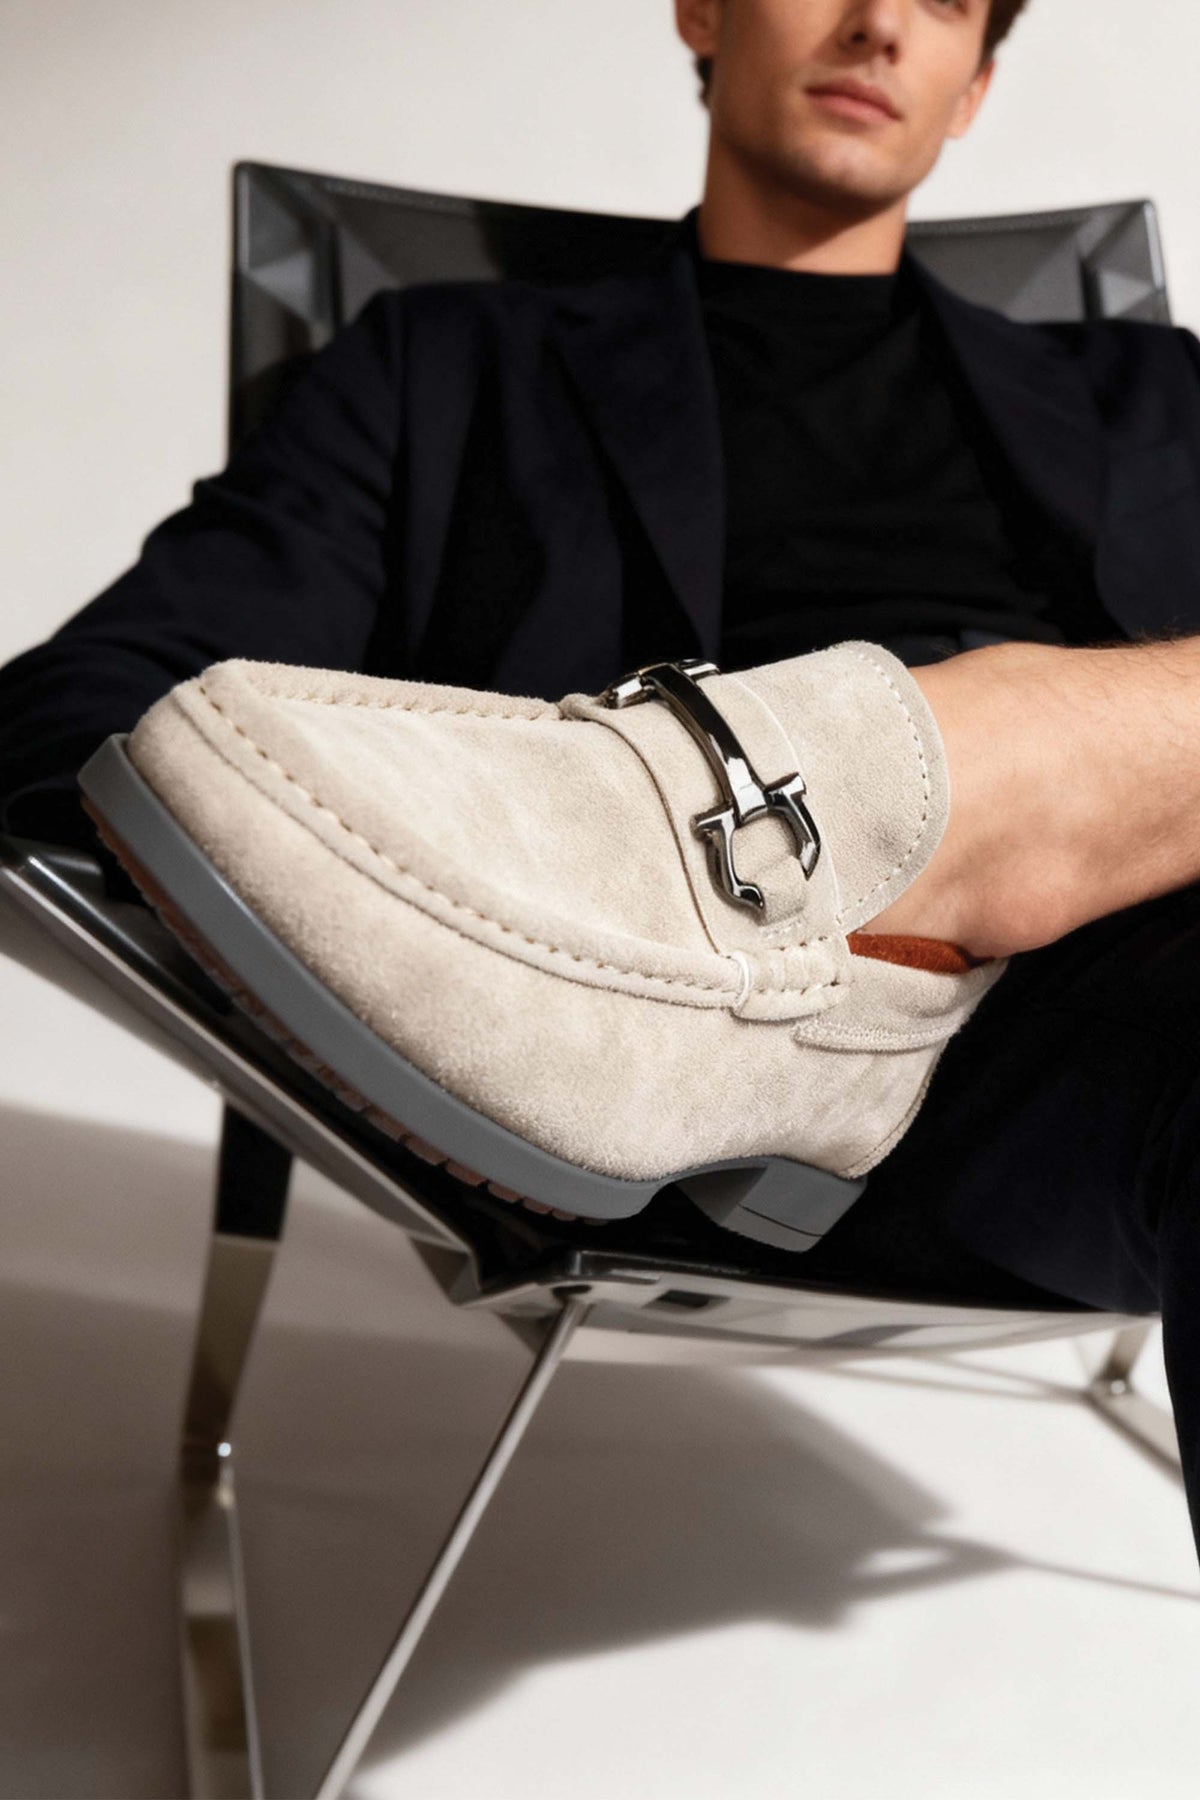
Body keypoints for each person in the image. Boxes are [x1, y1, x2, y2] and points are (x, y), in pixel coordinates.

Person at [5, 0, 1200, 1554]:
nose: (878, 25)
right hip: (749, 1040)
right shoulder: (449, 364)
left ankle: (971, 799)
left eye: (946, 2)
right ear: (704, 9)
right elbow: (92, 708)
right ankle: (893, 823)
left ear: (974, 85)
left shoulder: (1150, 393)